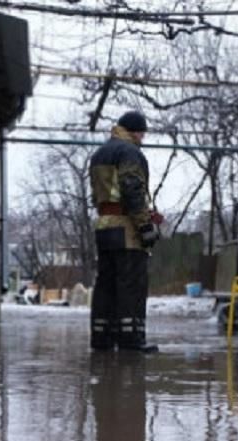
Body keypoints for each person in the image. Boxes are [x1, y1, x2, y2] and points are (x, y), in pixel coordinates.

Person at [88, 111, 163, 352]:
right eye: (142, 133)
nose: (143, 138)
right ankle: (131, 340)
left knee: (106, 284)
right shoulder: (130, 152)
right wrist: (145, 226)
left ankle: (102, 338)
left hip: (103, 225)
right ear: (134, 131)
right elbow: (132, 189)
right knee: (131, 283)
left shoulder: (100, 153)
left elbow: (97, 195)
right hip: (126, 228)